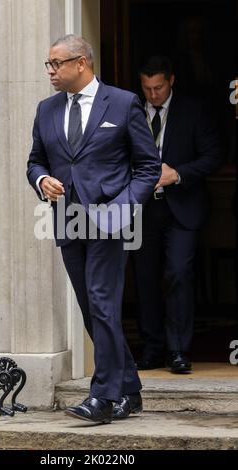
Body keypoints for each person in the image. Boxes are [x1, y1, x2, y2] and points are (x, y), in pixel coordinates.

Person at [27, 35, 161, 423]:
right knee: (91, 310)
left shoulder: (122, 103)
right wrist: (41, 181)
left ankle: (103, 396)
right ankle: (131, 390)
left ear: (81, 62)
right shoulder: (46, 109)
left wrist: (122, 208)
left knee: (102, 302)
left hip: (110, 221)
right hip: (68, 220)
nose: (50, 71)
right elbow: (35, 161)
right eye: (48, 64)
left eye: (56, 63)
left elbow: (149, 167)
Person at [132, 56, 221, 373]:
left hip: (183, 207)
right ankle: (152, 348)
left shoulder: (194, 110)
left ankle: (178, 350)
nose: (153, 95)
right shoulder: (131, 109)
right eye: (147, 88)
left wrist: (177, 174)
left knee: (179, 274)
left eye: (158, 87)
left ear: (171, 81)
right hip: (142, 209)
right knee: (144, 279)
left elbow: (213, 156)